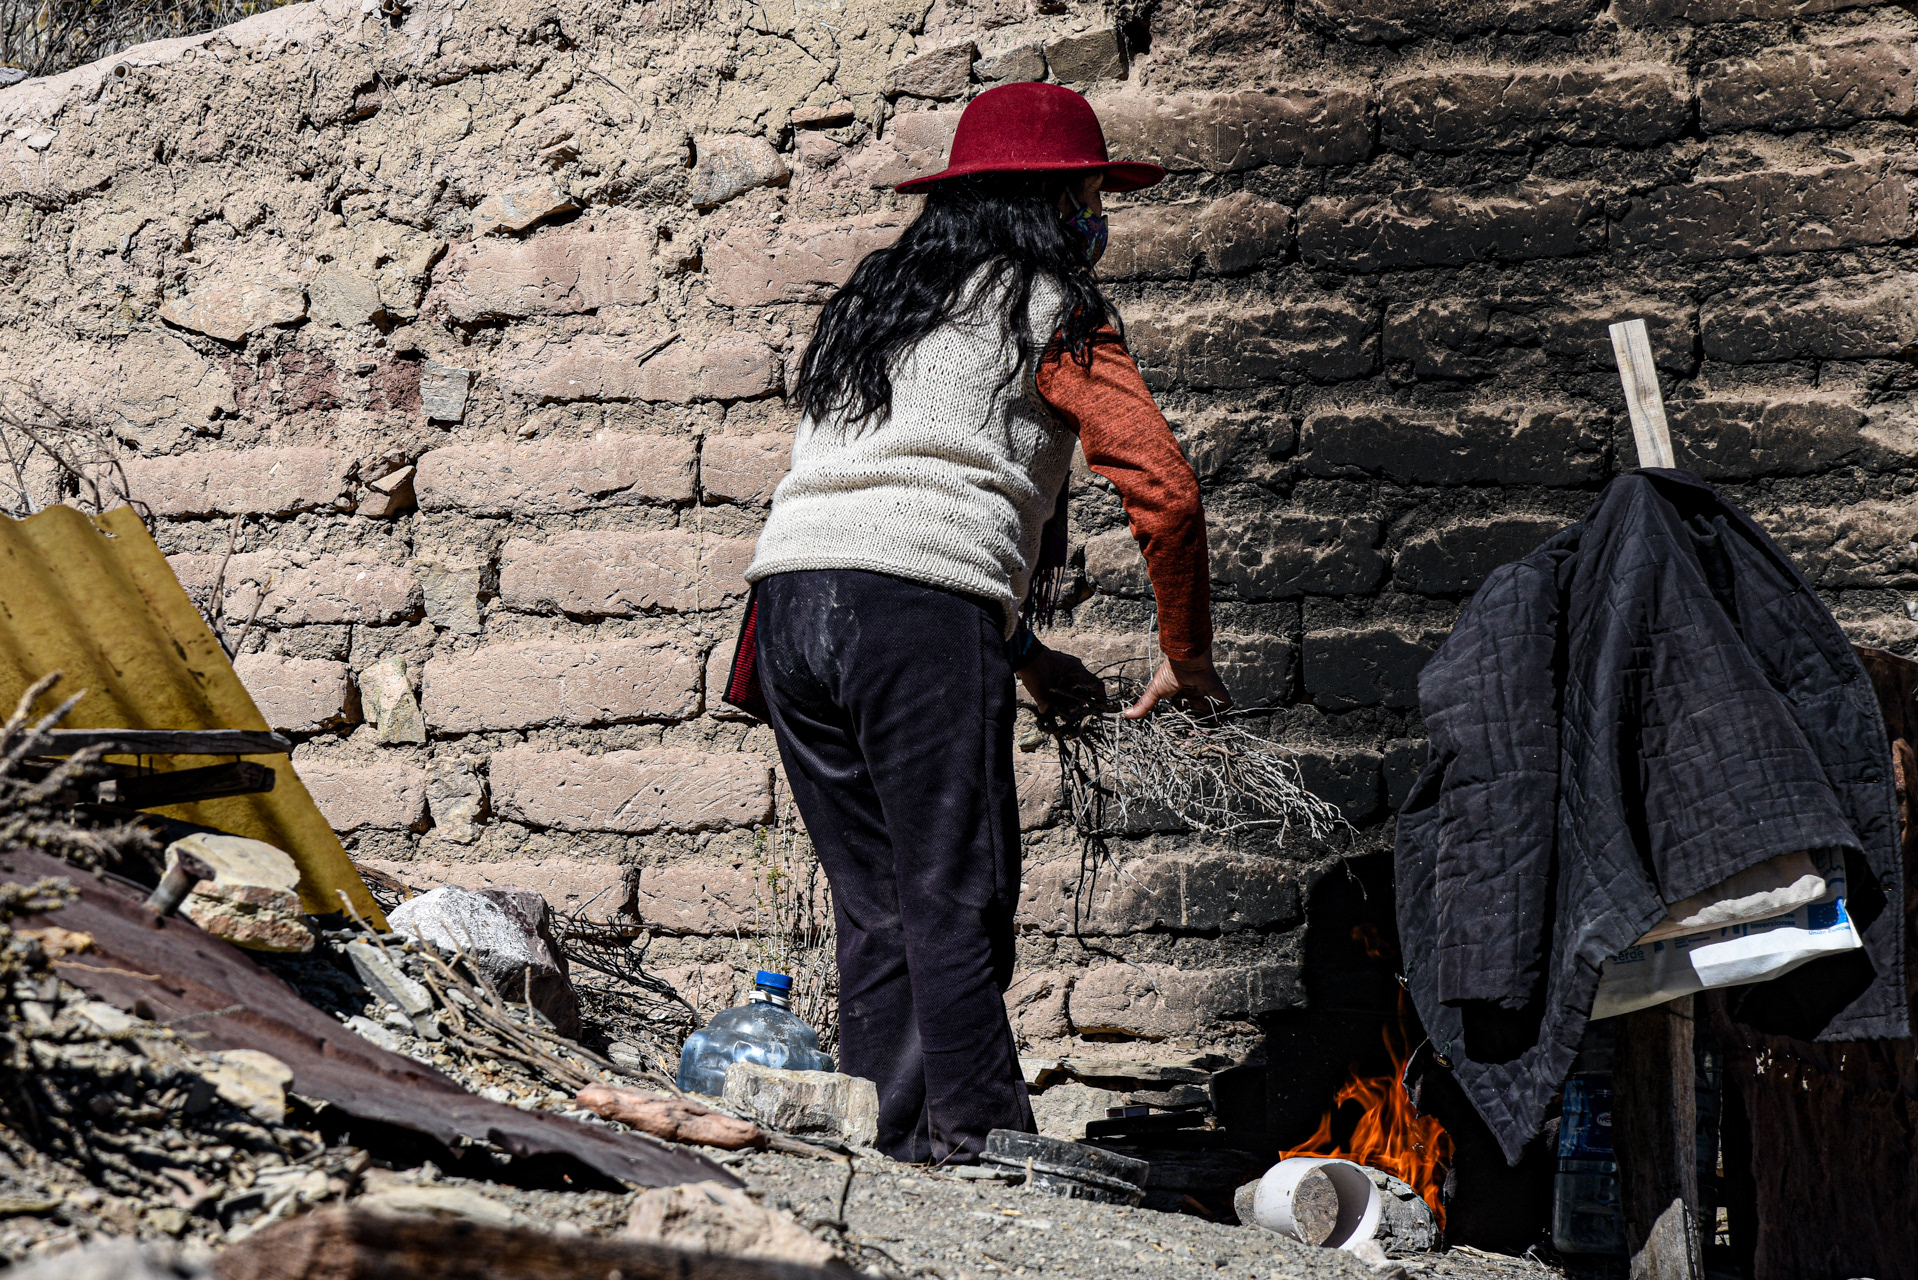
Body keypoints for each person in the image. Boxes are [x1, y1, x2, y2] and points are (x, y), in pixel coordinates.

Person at [743, 81, 1230, 1165]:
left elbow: (886, 498)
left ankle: (898, 1141)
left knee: (879, 902)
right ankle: (980, 1138)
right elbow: (1164, 489)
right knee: (956, 893)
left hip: (786, 610)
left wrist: (1023, 654)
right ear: (1054, 204)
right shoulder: (1051, 307)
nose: (1098, 219)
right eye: (1093, 198)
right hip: (913, 616)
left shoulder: (879, 300)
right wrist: (1186, 656)